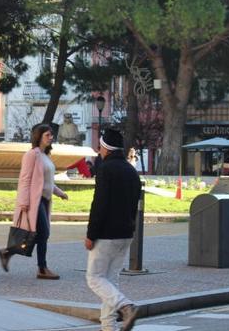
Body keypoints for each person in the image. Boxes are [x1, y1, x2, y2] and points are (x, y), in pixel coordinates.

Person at [85, 127, 142, 331]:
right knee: (110, 281)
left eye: (100, 146)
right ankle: (109, 327)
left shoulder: (106, 170)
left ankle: (126, 307)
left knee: (94, 278)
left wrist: (91, 234)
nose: (99, 150)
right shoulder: (131, 170)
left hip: (106, 234)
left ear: (106, 149)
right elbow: (135, 202)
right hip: (126, 233)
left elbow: (99, 204)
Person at [0, 123, 69, 279]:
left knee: (39, 234)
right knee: (43, 233)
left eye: (51, 135)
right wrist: (23, 202)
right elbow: (25, 180)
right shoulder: (32, 155)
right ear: (39, 137)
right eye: (47, 135)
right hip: (33, 202)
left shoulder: (45, 155)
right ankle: (42, 268)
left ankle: (7, 252)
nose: (51, 138)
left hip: (44, 200)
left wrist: (60, 193)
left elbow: (47, 181)